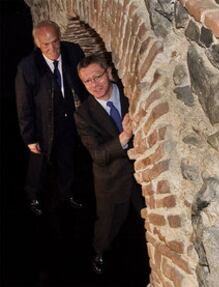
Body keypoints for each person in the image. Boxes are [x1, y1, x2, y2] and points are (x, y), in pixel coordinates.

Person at [74, 54, 145, 274]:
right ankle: (100, 253)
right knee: (108, 223)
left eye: (98, 76)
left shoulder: (129, 91)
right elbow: (98, 154)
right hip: (111, 176)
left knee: (149, 214)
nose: (94, 84)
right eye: (87, 81)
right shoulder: (83, 114)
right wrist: (124, 136)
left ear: (109, 72)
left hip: (143, 169)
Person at [15, 20, 87, 216]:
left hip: (68, 118)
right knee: (38, 164)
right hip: (41, 124)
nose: (52, 48)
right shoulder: (27, 67)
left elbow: (83, 84)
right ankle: (33, 196)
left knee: (67, 158)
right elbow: (23, 105)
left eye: (55, 42)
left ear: (60, 37)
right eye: (46, 44)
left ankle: (67, 193)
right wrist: (30, 137)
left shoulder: (73, 51)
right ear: (38, 44)